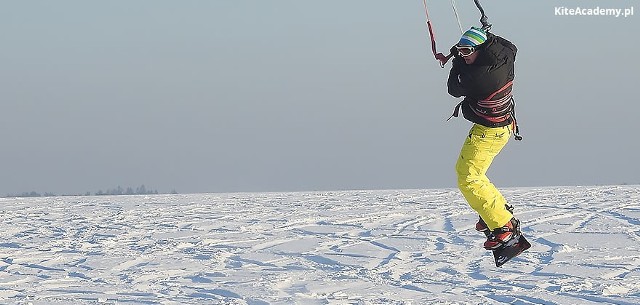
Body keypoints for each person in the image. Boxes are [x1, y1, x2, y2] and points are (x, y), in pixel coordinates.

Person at [446, 27, 521, 250]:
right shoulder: (504, 54)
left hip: (490, 131)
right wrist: (484, 35)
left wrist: (455, 60)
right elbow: (508, 45)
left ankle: (503, 225)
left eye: (467, 51)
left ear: (480, 49)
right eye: (461, 50)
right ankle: (493, 211)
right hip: (501, 126)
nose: (463, 55)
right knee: (473, 174)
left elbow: (453, 87)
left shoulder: (481, 78)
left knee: (468, 176)